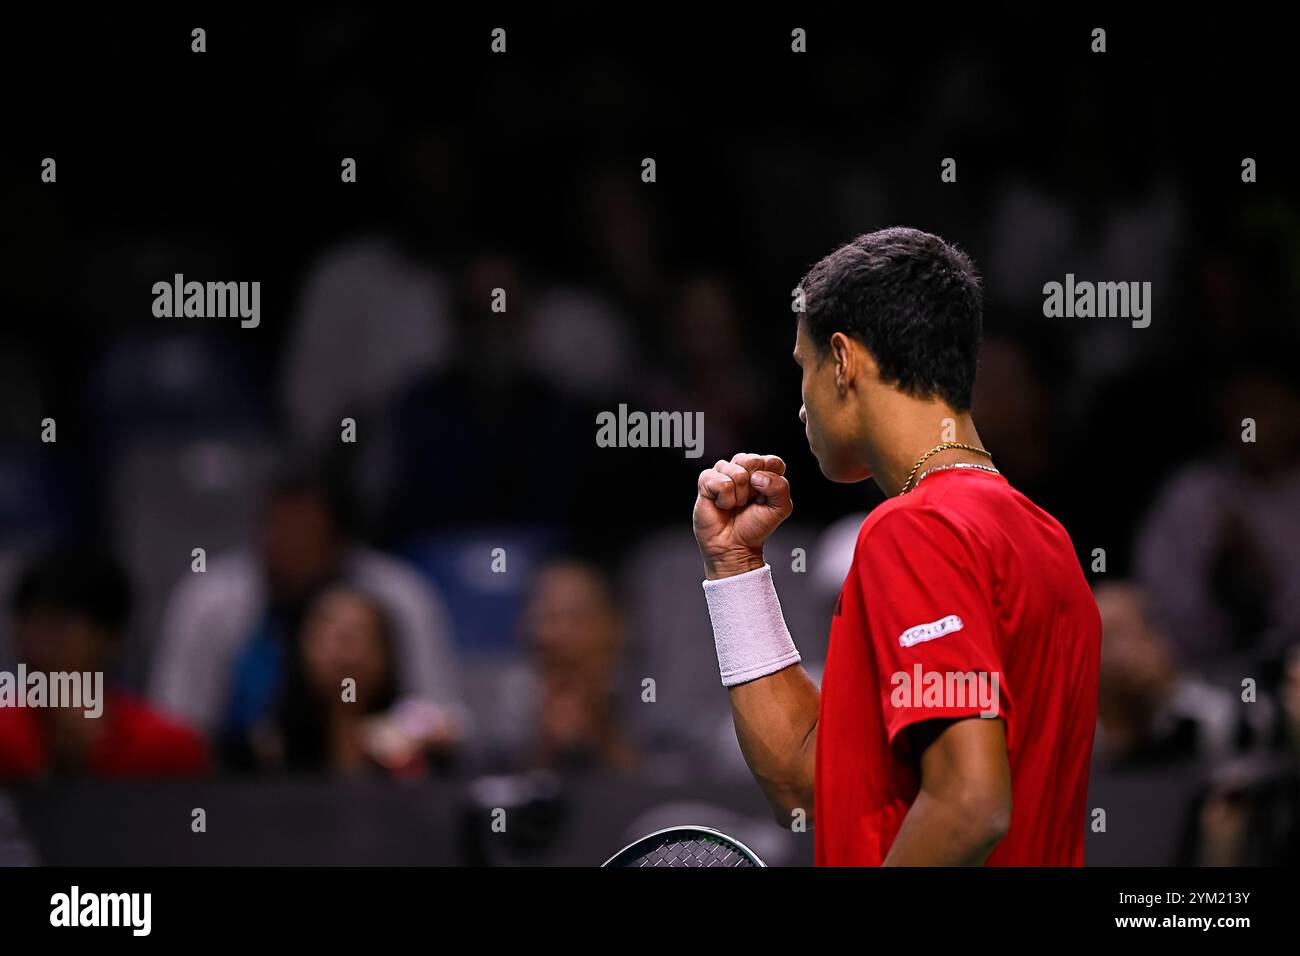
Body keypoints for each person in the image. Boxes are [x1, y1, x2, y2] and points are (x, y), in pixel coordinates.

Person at [691, 227, 1101, 865]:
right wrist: (736, 568)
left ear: (844, 361)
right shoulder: (1048, 539)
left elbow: (970, 803)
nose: (801, 405)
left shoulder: (913, 529)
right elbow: (809, 788)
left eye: (804, 369)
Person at [0, 546, 208, 779]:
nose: (35, 646)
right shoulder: (4, 738)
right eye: (27, 625)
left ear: (109, 637)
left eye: (57, 629)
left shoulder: (167, 748)